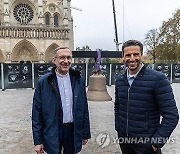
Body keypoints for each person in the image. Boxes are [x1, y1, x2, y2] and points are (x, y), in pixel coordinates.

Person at [114, 40, 179, 154]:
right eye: (128, 55)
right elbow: (118, 107)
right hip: (125, 141)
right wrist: (119, 129)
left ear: (141, 55)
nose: (132, 58)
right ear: (123, 58)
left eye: (136, 54)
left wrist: (156, 143)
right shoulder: (120, 80)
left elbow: (172, 115)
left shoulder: (158, 79)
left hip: (147, 145)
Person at [32, 47, 91, 154]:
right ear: (54, 60)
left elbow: (84, 108)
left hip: (72, 130)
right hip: (53, 130)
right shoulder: (44, 82)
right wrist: (38, 141)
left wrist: (85, 133)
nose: (66, 61)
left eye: (68, 58)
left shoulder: (79, 80)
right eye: (62, 58)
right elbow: (37, 113)